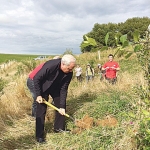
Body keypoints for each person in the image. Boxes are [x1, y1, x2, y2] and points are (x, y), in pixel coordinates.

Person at [27, 54, 76, 143]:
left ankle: (59, 128)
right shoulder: (51, 66)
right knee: (41, 109)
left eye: (72, 69)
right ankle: (39, 136)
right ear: (63, 64)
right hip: (40, 84)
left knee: (61, 105)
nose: (70, 71)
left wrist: (62, 106)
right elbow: (37, 78)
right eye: (69, 69)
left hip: (54, 86)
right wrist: (39, 95)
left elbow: (63, 89)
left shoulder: (69, 72)